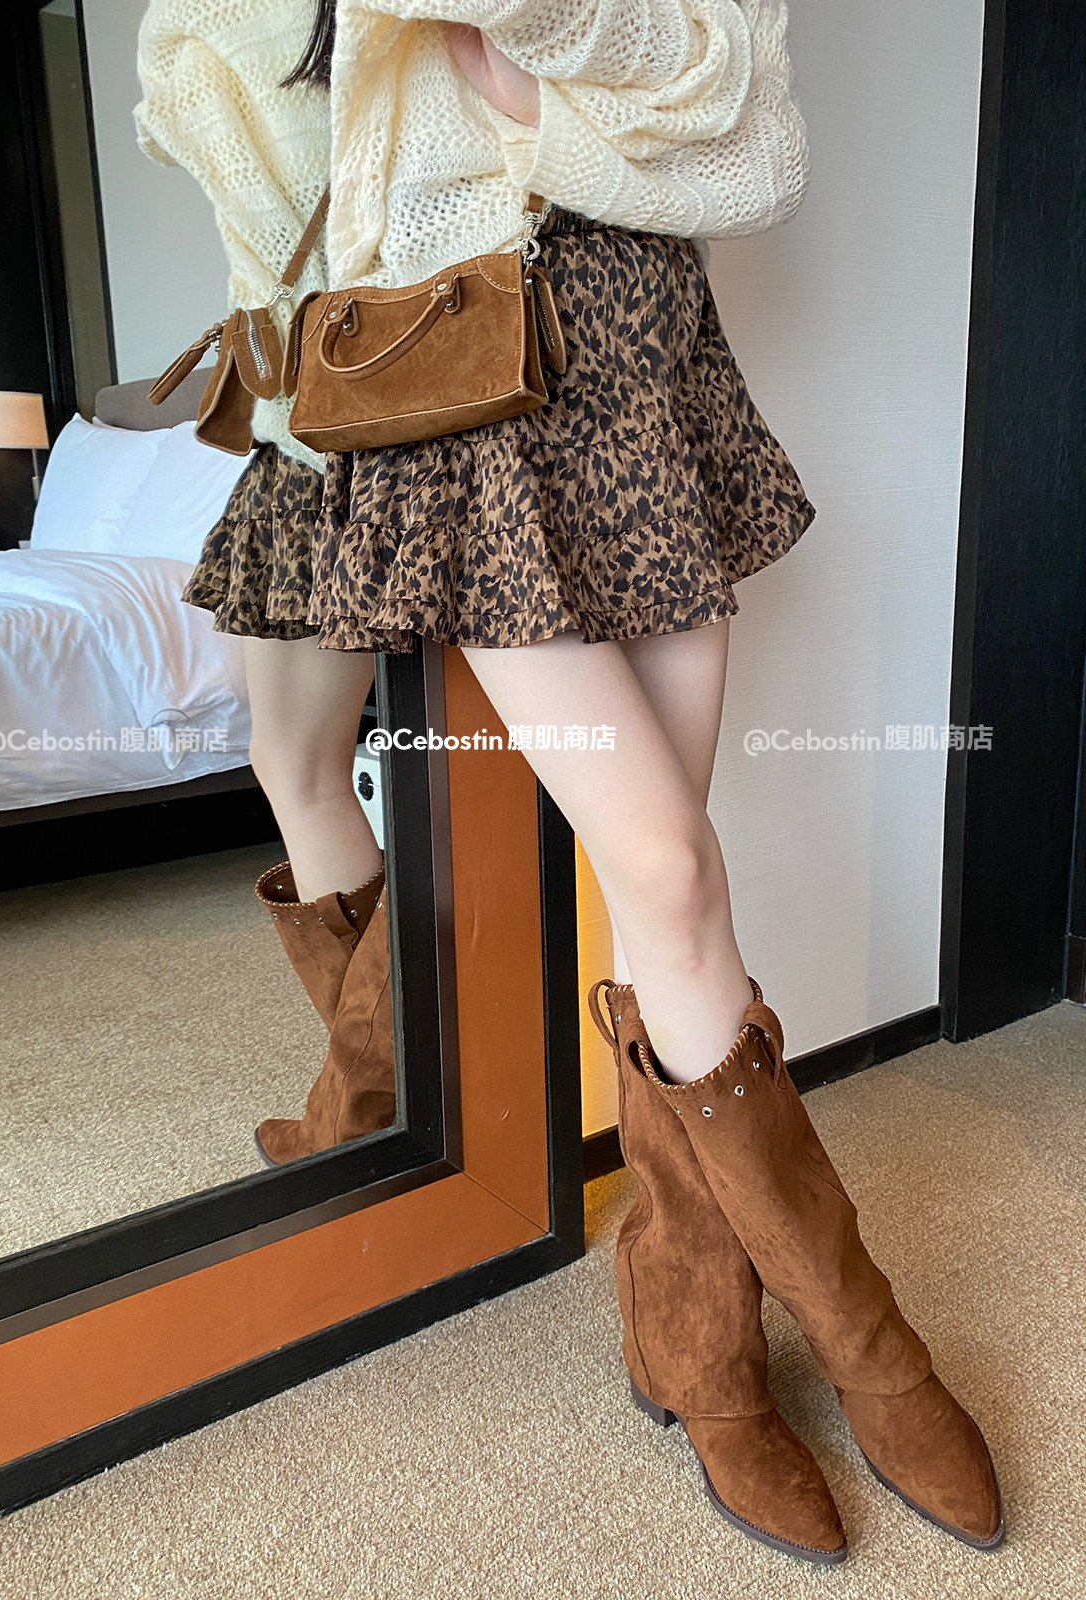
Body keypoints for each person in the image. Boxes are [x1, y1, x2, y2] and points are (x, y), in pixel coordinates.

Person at [139, 0, 1004, 1563]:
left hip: (646, 367)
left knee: (669, 880)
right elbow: (284, 217)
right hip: (464, 393)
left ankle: (695, 1345)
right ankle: (872, 1350)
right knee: (667, 867)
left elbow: (758, 155)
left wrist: (535, 66)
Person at [136, 0, 395, 1166]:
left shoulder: (202, 23)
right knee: (304, 757)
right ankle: (385, 1095)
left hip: (329, 430)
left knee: (306, 763)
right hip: (379, 411)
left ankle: (376, 1104)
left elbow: (165, 128)